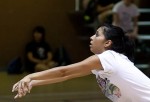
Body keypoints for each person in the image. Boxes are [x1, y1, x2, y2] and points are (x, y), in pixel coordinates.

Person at [12, 24, 150, 101]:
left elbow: (63, 71)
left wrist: (30, 76)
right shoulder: (104, 63)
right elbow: (66, 76)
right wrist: (32, 83)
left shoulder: (108, 57)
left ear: (107, 43)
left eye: (96, 34)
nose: (91, 37)